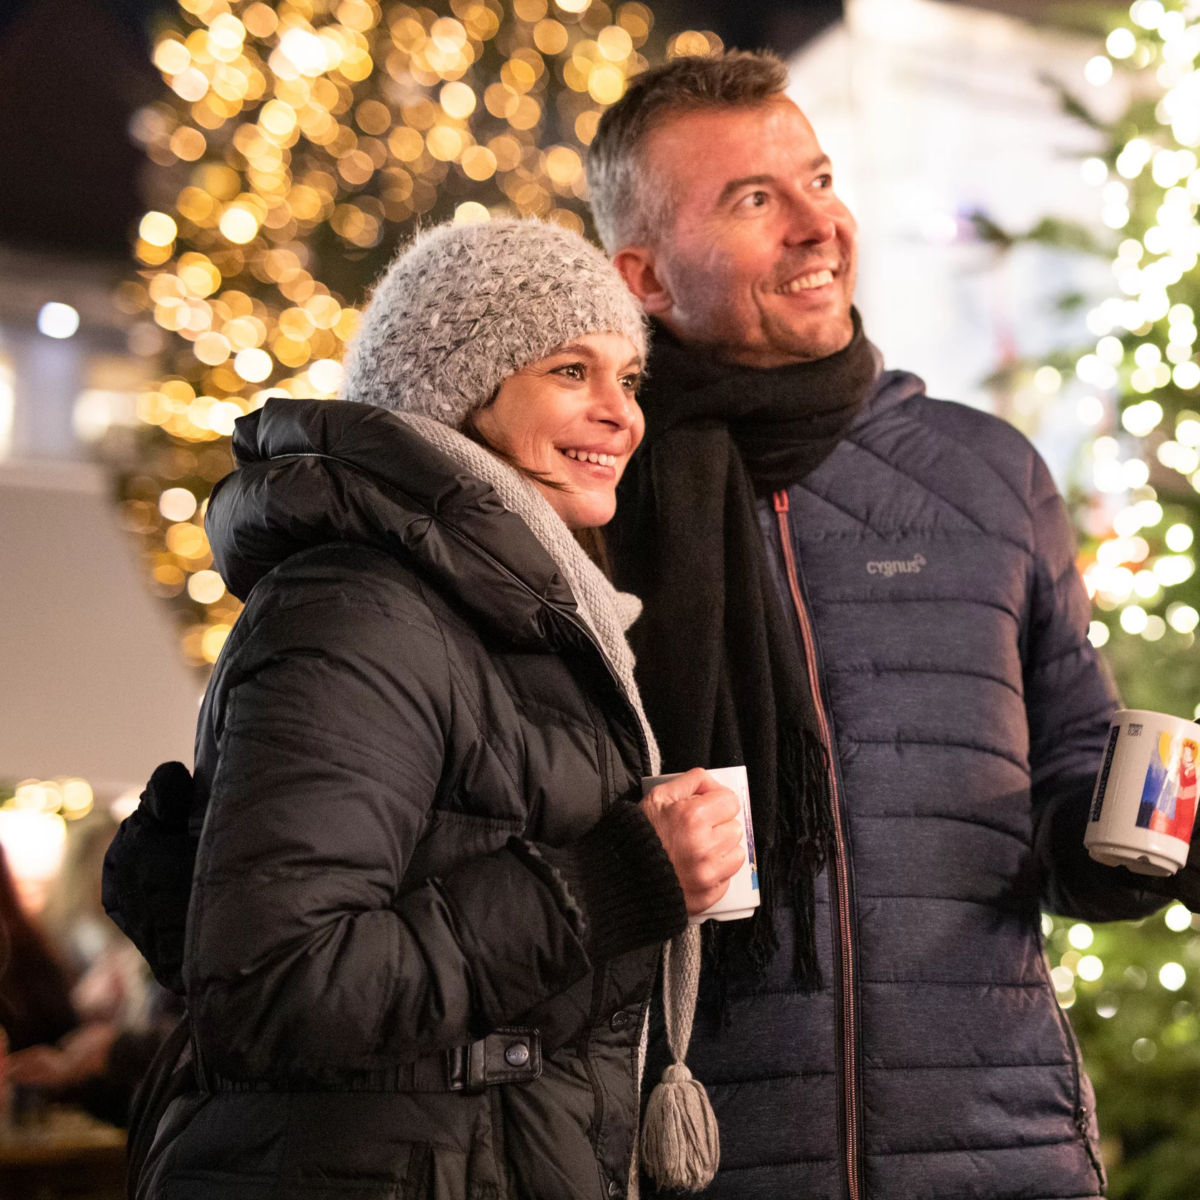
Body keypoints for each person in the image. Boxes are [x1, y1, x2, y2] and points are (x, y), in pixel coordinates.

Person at [587, 51, 1190, 1200]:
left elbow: (1072, 781)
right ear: (647, 280)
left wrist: (1144, 850)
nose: (820, 225)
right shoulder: (595, 499)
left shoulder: (984, 474)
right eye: (755, 200)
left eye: (818, 178)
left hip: (999, 1146)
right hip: (705, 1159)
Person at [110, 218, 744, 1200]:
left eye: (630, 379)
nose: (621, 415)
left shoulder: (515, 609)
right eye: (572, 370)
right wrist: (600, 885)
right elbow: (280, 987)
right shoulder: (361, 605)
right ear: (455, 384)